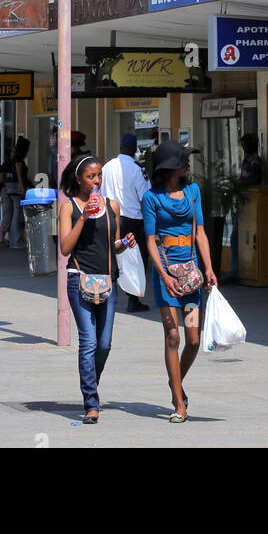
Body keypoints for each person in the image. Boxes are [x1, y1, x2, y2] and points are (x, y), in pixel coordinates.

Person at [142, 140, 217, 423]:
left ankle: (175, 382)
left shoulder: (192, 191)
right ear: (172, 166)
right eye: (184, 160)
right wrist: (163, 275)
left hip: (191, 272)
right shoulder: (151, 198)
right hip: (165, 274)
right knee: (173, 336)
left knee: (194, 339)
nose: (188, 164)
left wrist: (209, 268)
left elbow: (200, 232)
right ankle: (178, 401)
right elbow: (150, 241)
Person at [58, 154, 136, 423]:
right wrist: (84, 217)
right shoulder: (69, 208)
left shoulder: (112, 206)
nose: (97, 181)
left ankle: (91, 379)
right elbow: (65, 248)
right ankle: (91, 402)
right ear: (78, 179)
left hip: (107, 282)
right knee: (89, 341)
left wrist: (124, 243)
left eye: (99, 176)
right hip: (78, 279)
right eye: (91, 177)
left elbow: (112, 245)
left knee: (104, 344)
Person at [101, 132, 150, 313]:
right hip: (132, 221)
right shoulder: (137, 169)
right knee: (136, 260)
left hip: (110, 218)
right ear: (134, 148)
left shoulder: (107, 167)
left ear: (120, 147)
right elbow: (145, 196)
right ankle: (133, 299)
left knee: (112, 256)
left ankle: (109, 295)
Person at [0, 136, 31, 249]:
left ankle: (9, 239)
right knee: (17, 216)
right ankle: (16, 240)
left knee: (10, 215)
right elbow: (19, 173)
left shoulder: (11, 158)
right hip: (16, 191)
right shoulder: (18, 159)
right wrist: (22, 186)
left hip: (8, 190)